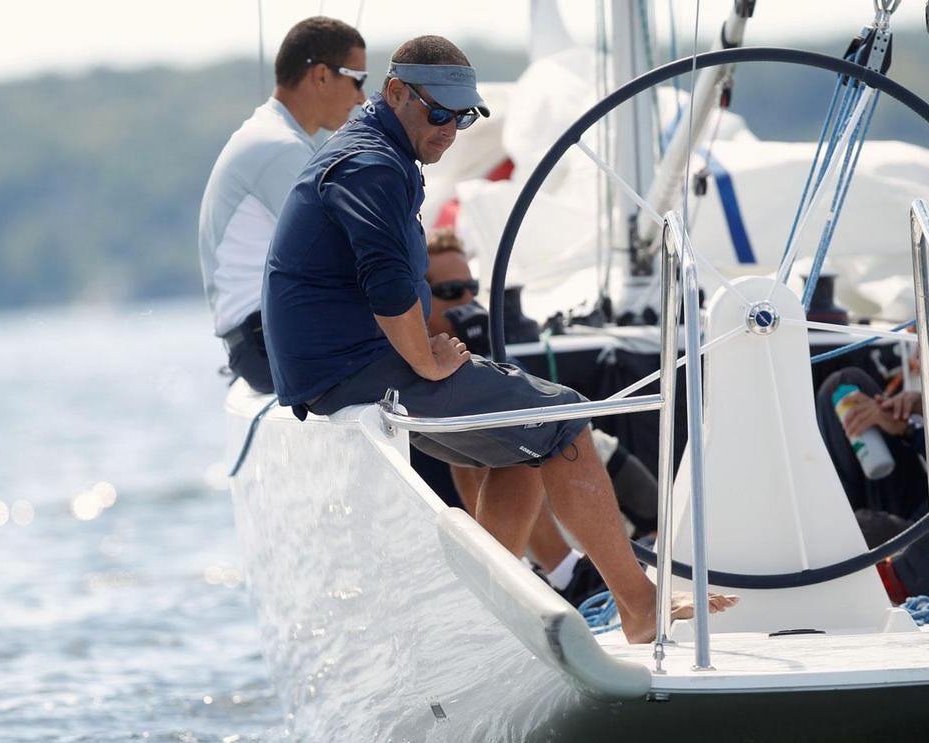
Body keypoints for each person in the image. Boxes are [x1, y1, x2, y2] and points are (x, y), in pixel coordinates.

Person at [262, 35, 737, 643]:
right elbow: (385, 286)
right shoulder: (374, 165)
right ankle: (639, 607)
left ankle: (481, 611)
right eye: (438, 113)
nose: (450, 130)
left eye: (463, 117)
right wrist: (425, 362)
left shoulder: (376, 150)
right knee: (564, 418)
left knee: (526, 441)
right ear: (396, 93)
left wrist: (420, 353)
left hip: (340, 364)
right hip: (350, 368)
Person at [424, 227, 661, 606]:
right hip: (512, 481)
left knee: (527, 433)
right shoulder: (412, 383)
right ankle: (562, 573)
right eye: (452, 292)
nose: (467, 300)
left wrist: (483, 350)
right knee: (495, 437)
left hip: (587, 469)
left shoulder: (492, 348)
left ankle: (570, 575)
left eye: (472, 288)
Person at [815, 245, 929, 600]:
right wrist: (912, 413)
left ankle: (902, 573)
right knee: (843, 386)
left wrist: (914, 427)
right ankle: (845, 522)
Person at [198, 17, 366, 393]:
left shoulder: (273, 136)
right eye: (358, 78)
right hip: (266, 344)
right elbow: (350, 254)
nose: (361, 98)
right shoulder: (280, 148)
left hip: (260, 340)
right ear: (321, 76)